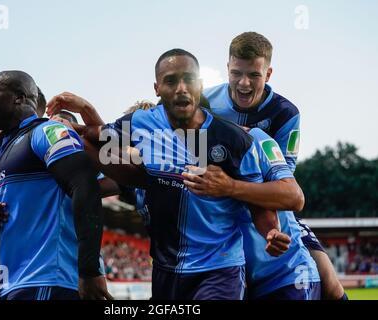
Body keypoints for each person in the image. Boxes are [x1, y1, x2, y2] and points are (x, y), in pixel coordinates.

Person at [47, 49, 299, 300]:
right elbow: (103, 146)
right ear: (157, 88)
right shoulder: (141, 129)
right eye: (170, 81)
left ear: (199, 86)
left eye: (188, 80)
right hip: (166, 271)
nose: (180, 88)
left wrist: (270, 231)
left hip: (219, 270)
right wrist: (71, 129)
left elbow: (266, 202)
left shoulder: (236, 141)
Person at [202, 31, 345, 300]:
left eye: (253, 75)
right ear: (227, 68)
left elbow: (282, 186)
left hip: (264, 204)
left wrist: (233, 178)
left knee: (330, 282)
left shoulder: (285, 112)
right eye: (236, 73)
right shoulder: (205, 102)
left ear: (268, 74)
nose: (243, 83)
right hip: (219, 212)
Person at [0, 70, 111, 300]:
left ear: (19, 98)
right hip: (10, 283)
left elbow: (86, 185)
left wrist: (89, 269)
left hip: (46, 281)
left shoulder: (47, 132)